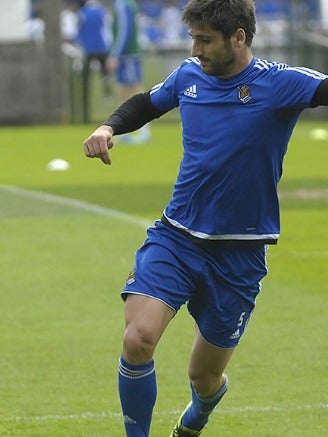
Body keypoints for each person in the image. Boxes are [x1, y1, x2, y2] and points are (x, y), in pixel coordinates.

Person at [83, 0, 328, 435]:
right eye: (193, 39)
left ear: (239, 37)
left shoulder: (280, 83)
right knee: (137, 339)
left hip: (240, 253)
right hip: (176, 237)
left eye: (205, 40)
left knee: (205, 377)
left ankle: (200, 411)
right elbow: (146, 103)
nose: (195, 50)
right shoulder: (189, 76)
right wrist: (108, 127)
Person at [61, 0, 112, 123]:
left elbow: (77, 31)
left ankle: (85, 103)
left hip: (88, 49)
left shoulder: (82, 13)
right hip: (101, 48)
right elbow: (106, 30)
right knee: (105, 72)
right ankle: (106, 90)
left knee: (85, 77)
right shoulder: (102, 11)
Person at [107, 0, 150, 143]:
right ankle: (124, 132)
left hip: (128, 56)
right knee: (124, 92)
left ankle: (144, 131)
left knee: (133, 91)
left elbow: (124, 30)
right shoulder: (128, 4)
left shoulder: (123, 4)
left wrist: (115, 54)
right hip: (128, 55)